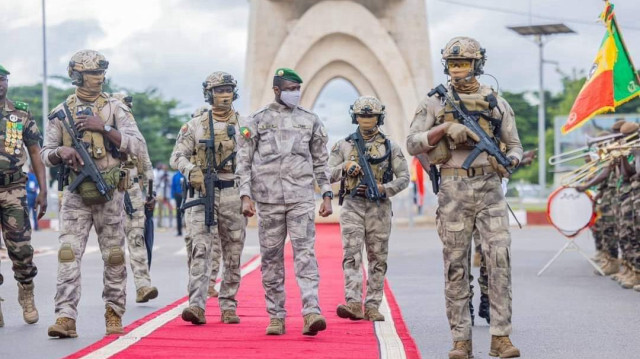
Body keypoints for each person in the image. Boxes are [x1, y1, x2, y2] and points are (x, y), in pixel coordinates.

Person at [407, 37, 523, 359]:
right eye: (453, 64)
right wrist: (443, 130)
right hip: (453, 190)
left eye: (465, 64)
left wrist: (510, 161)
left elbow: (514, 145)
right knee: (456, 267)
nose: (458, 70)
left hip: (488, 187)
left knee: (498, 260)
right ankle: (461, 340)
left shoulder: (496, 102)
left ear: (478, 65)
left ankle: (501, 337)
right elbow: (412, 143)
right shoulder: (433, 102)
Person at [41, 50, 146, 338]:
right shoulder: (61, 112)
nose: (97, 79)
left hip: (110, 192)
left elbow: (137, 145)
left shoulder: (115, 108)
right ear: (76, 76)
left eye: (100, 74)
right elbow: (44, 152)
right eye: (91, 74)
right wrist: (61, 152)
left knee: (113, 255)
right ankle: (65, 316)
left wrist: (106, 128)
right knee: (67, 254)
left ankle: (114, 312)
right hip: (76, 196)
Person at [237, 68, 333, 336]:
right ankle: (276, 315)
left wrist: (326, 194)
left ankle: (311, 311)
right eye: (290, 88)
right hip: (268, 201)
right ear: (277, 90)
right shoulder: (256, 120)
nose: (295, 93)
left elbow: (321, 161)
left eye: (297, 89)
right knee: (271, 259)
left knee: (305, 255)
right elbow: (243, 162)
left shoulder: (310, 120)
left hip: (301, 198)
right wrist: (245, 196)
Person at [170, 71, 247, 325]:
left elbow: (255, 162)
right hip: (203, 192)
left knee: (233, 251)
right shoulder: (195, 125)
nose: (223, 95)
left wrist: (250, 195)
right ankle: (196, 305)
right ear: (209, 94)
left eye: (227, 90)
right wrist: (191, 170)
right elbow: (177, 156)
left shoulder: (245, 126)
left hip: (232, 191)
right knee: (200, 249)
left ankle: (228, 305)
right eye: (218, 91)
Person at [328, 96, 409, 322]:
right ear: (355, 116)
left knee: (377, 257)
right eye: (362, 115)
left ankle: (373, 305)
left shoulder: (390, 147)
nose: (366, 119)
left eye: (370, 115)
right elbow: (326, 172)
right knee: (351, 255)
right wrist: (345, 167)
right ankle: (353, 302)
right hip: (353, 204)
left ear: (378, 117)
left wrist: (384, 188)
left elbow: (404, 178)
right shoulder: (343, 145)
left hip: (379, 206)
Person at [0, 64, 47, 327]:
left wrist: (43, 190)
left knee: (20, 247)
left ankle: (26, 292)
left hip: (13, 189)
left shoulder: (20, 113)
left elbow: (35, 153)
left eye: (2, 79)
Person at [112, 93, 159, 304]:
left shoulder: (134, 135)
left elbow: (146, 165)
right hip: (108, 193)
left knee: (137, 238)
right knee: (113, 245)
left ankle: (143, 285)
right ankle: (116, 291)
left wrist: (150, 194)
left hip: (132, 192)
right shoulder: (102, 133)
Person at [171, 170, 184, 236]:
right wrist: (172, 197)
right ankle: (179, 231)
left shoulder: (186, 175)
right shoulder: (175, 176)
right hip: (178, 196)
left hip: (186, 196)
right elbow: (173, 187)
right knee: (178, 214)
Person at [26, 166, 40, 231]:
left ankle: (36, 226)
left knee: (34, 212)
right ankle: (27, 227)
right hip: (29, 195)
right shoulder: (27, 176)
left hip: (34, 196)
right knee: (28, 212)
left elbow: (38, 186)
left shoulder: (35, 176)